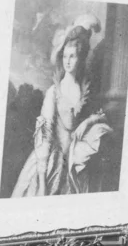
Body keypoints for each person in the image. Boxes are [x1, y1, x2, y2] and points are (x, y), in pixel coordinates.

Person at [10, 24, 111, 197]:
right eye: (65, 56)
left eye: (72, 56)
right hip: (50, 160)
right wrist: (42, 180)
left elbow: (100, 114)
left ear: (81, 58)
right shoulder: (54, 92)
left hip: (73, 159)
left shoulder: (85, 89)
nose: (68, 61)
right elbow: (44, 132)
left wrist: (87, 122)